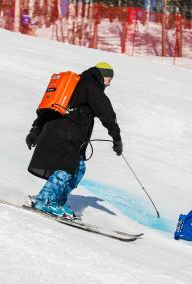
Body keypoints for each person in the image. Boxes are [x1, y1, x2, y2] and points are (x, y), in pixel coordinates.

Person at [25, 62, 123, 219]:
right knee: (66, 168)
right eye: (109, 79)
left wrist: (35, 131)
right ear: (102, 75)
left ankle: (57, 200)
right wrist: (116, 138)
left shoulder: (77, 85)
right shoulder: (91, 86)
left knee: (79, 167)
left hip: (63, 134)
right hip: (65, 135)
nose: (109, 84)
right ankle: (45, 200)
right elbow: (107, 113)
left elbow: (49, 110)